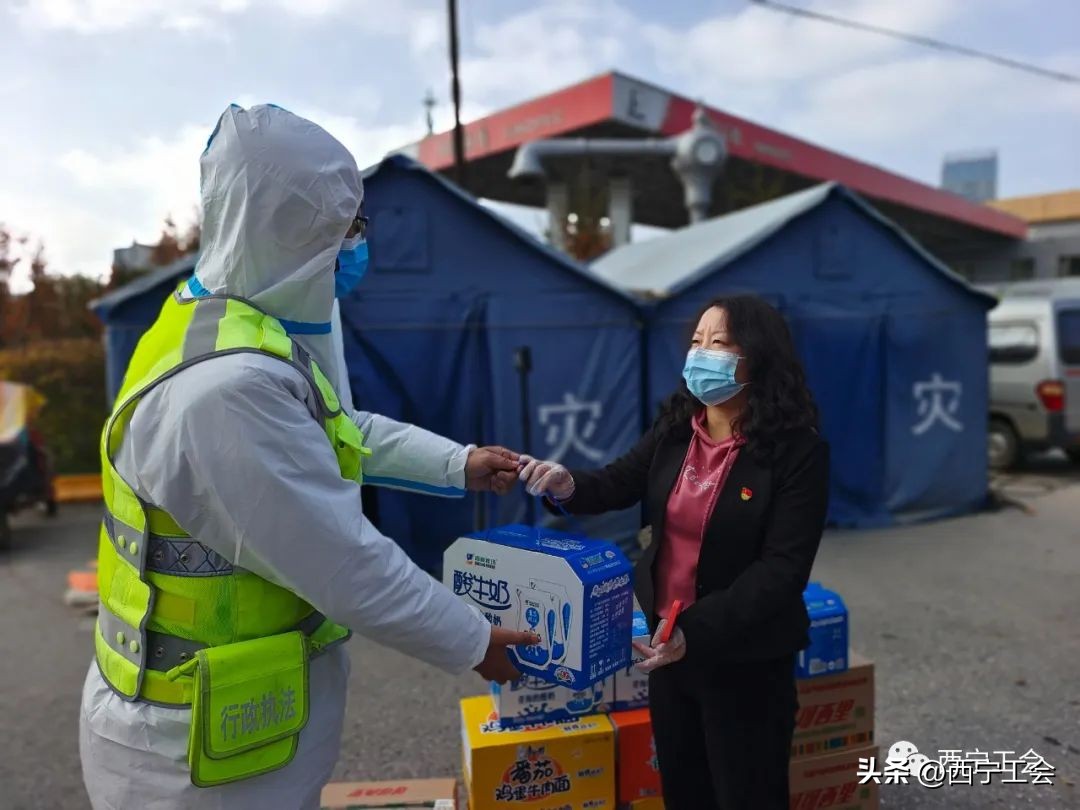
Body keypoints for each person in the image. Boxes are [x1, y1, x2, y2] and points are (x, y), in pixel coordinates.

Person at [79, 104, 537, 810]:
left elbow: (338, 430)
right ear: (290, 231)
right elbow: (345, 564)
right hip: (192, 761)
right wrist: (472, 638)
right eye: (345, 227)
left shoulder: (229, 326)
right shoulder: (228, 389)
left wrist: (459, 461)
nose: (357, 245)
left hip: (235, 723)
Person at [520, 296, 830, 810]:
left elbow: (782, 570)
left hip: (743, 655)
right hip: (667, 649)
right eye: (695, 341)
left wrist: (694, 632)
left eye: (720, 343)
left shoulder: (798, 452)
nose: (701, 354)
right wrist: (567, 482)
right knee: (685, 790)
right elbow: (619, 481)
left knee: (747, 792)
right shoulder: (678, 427)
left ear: (758, 356)